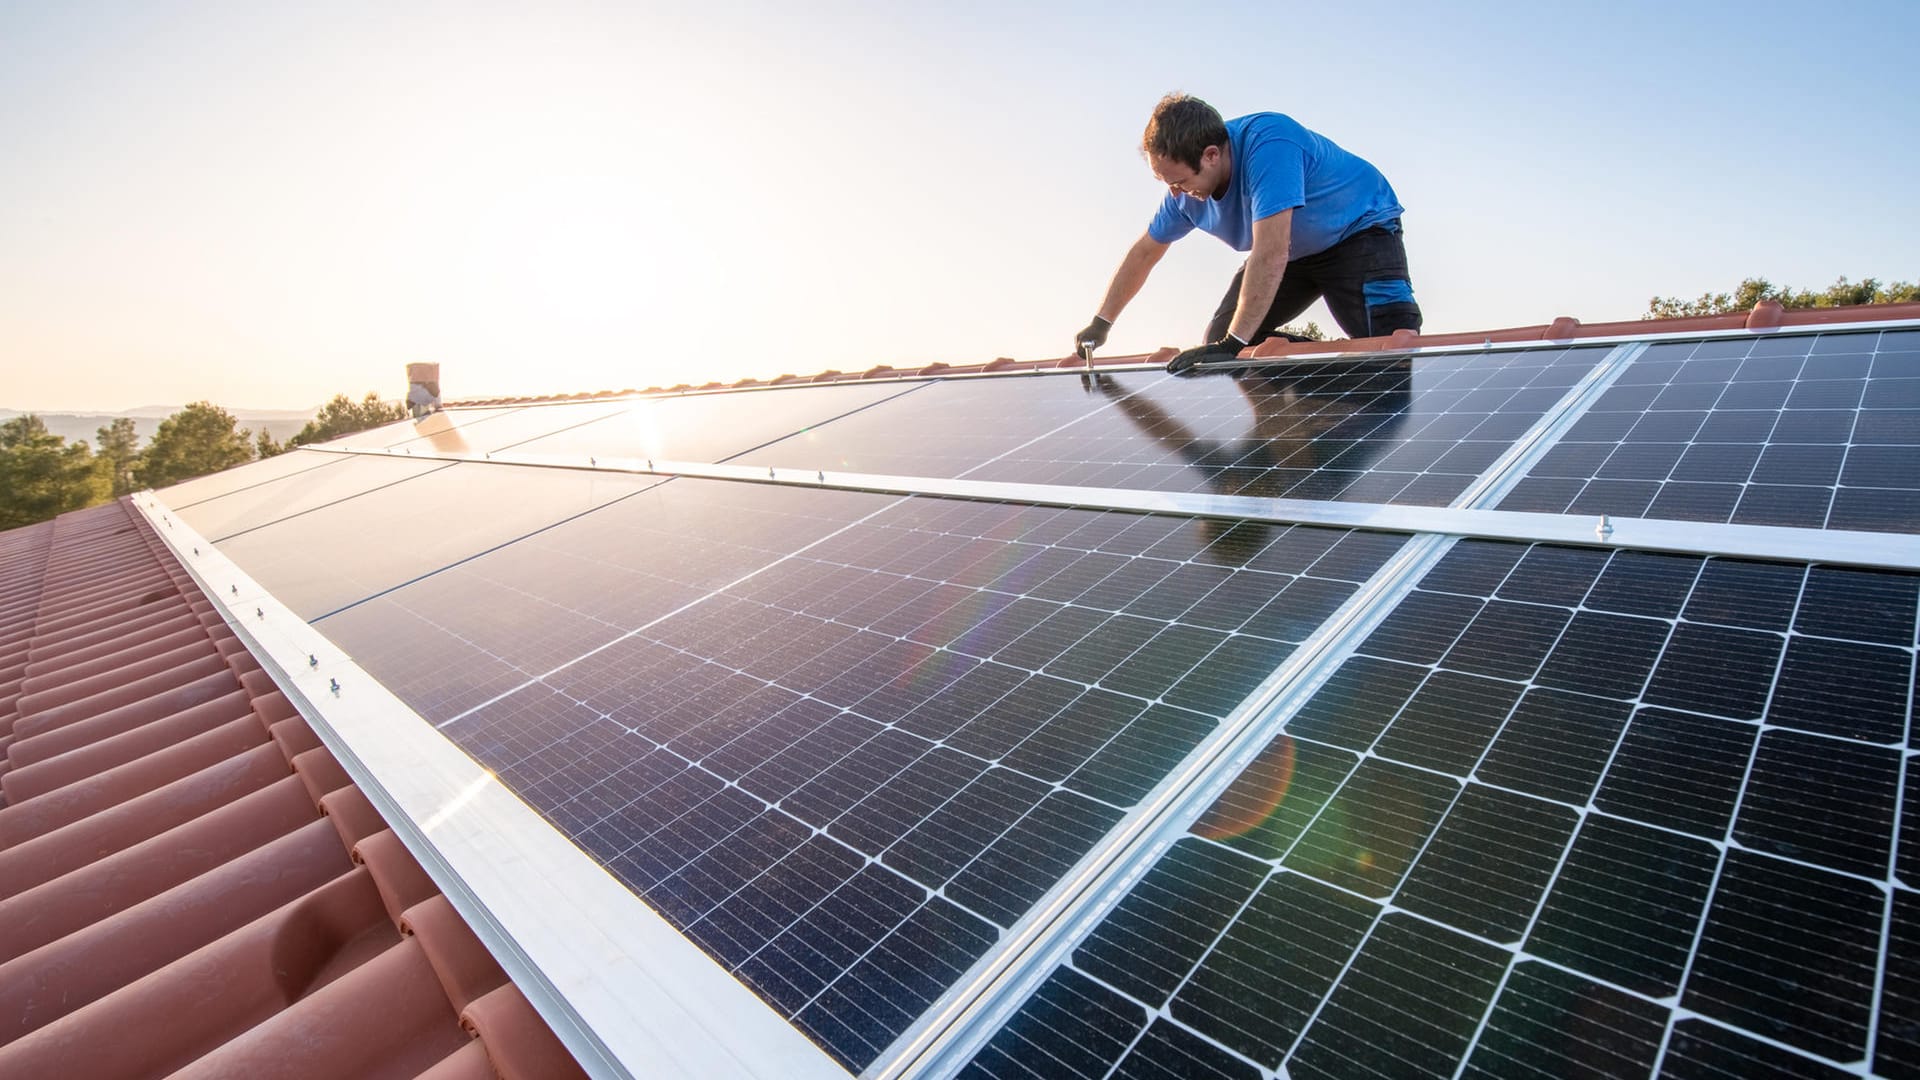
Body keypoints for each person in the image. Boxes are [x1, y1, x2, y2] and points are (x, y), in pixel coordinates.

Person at [1074, 94, 1422, 375]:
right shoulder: (1182, 198)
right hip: (1293, 255)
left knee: (1390, 347)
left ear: (1211, 155)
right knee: (1221, 343)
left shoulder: (1270, 145)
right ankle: (1325, 398)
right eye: (1167, 184)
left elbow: (1271, 251)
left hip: (1357, 231)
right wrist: (1101, 323)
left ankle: (1368, 370)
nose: (1175, 194)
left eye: (1180, 182)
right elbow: (1145, 252)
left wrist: (1233, 344)